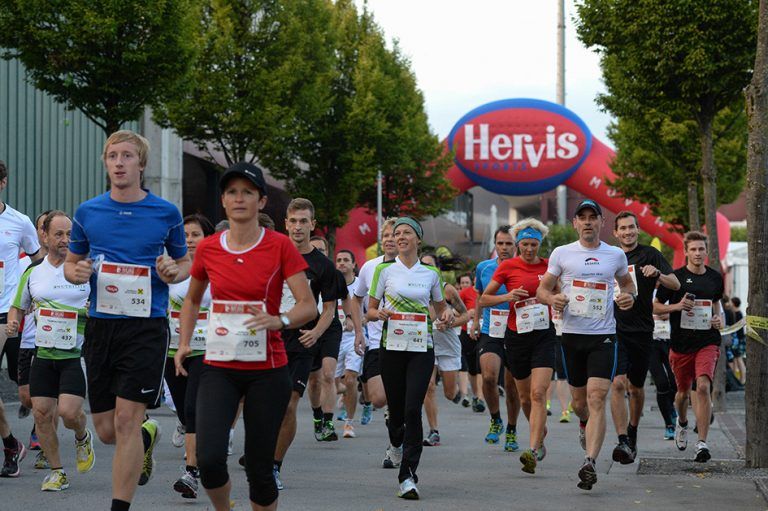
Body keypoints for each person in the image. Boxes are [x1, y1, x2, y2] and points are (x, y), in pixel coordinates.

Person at [175, 162, 315, 511]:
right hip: (218, 366)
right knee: (208, 460)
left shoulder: (279, 246)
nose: (239, 198)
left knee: (259, 469)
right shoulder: (208, 248)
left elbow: (307, 306)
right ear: (222, 200)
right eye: (232, 192)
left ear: (262, 201)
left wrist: (278, 319)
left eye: (247, 192)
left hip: (267, 371)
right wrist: (183, 343)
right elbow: (192, 299)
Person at [64, 130, 192, 511]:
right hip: (102, 326)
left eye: (127, 156)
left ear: (141, 164)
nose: (119, 163)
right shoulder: (88, 211)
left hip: (146, 327)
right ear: (106, 163)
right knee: (105, 431)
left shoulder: (165, 213)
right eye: (112, 156)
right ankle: (146, 435)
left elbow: (184, 263)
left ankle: (120, 506)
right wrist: (78, 272)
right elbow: (72, 265)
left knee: (125, 420)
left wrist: (173, 270)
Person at [537, 199, 636, 490]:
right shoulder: (562, 253)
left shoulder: (615, 255)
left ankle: (589, 461)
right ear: (575, 223)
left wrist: (629, 297)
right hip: (571, 336)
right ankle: (584, 425)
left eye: (594, 217)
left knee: (596, 399)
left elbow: (627, 285)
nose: (589, 222)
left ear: (602, 223)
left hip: (604, 336)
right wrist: (552, 298)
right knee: (580, 404)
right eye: (583, 217)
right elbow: (543, 288)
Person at [6, 211, 95, 490]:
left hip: (74, 355)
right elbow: (17, 306)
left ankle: (82, 435)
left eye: (70, 234)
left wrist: (91, 312)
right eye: (59, 234)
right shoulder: (34, 272)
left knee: (69, 413)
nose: (65, 239)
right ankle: (57, 471)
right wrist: (12, 321)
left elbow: (105, 304)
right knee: (42, 413)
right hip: (42, 354)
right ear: (44, 236)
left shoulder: (85, 269)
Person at [367, 217, 453, 500]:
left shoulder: (429, 273)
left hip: (420, 347)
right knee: (397, 412)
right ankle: (395, 443)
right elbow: (370, 309)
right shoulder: (383, 270)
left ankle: (407, 475)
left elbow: (441, 309)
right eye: (396, 233)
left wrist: (445, 317)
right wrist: (377, 314)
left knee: (413, 407)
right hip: (391, 347)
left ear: (418, 239)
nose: (400, 237)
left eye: (406, 233)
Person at [273, 198, 340, 488]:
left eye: (304, 221)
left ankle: (274, 466)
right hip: (269, 338)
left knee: (289, 405)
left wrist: (316, 333)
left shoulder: (323, 265)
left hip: (301, 341)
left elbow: (329, 309)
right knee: (262, 403)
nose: (298, 227)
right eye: (293, 221)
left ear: (312, 225)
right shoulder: (271, 253)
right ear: (285, 223)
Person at [481, 218, 555, 474]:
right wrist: (507, 296)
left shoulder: (550, 266)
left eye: (534, 244)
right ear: (518, 244)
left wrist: (557, 299)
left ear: (539, 244)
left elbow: (561, 290)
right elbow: (483, 299)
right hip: (516, 336)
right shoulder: (508, 267)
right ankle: (540, 432)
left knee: (538, 394)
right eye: (524, 244)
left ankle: (533, 450)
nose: (529, 249)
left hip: (544, 335)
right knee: (524, 398)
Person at [609, 211, 680, 464]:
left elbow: (675, 284)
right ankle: (622, 440)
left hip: (641, 330)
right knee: (617, 383)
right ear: (615, 233)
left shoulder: (650, 254)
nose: (627, 232)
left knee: (635, 388)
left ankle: (633, 430)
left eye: (631, 227)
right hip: (613, 329)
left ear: (637, 229)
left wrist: (657, 274)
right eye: (622, 229)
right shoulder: (609, 256)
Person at [653, 231, 724, 463]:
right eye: (693, 249)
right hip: (681, 345)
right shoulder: (675, 278)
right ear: (685, 252)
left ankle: (702, 443)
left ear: (706, 251)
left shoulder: (715, 278)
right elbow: (655, 307)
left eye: (701, 249)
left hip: (708, 341)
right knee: (682, 394)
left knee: (703, 386)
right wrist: (677, 307)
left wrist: (718, 319)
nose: (697, 253)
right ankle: (682, 422)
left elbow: (717, 306)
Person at [165, 213, 215, 499]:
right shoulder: (171, 269)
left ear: (206, 238)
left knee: (194, 409)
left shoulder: (216, 268)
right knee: (185, 411)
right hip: (172, 349)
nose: (189, 240)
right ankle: (198, 441)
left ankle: (191, 472)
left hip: (206, 349)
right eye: (184, 235)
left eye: (195, 234)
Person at [0, 159, 43, 478]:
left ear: (2, 184)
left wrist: (32, 296)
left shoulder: (19, 222)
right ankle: (10, 445)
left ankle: (41, 426)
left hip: (10, 312)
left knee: (24, 389)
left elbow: (38, 258)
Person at [306, 235, 363, 442]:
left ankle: (328, 423)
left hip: (330, 328)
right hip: (309, 326)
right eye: (315, 249)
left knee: (329, 375)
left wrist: (350, 319)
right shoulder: (301, 271)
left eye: (322, 250)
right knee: (313, 380)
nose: (318, 253)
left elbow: (348, 300)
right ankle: (317, 415)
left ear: (327, 252)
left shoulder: (333, 273)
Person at [471, 226, 521, 450]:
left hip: (517, 330)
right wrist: (475, 322)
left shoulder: (524, 267)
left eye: (508, 243)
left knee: (512, 387)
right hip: (491, 329)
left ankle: (511, 429)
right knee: (489, 377)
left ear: (516, 245)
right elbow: (480, 296)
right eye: (500, 243)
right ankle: (495, 420)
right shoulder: (484, 267)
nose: (504, 248)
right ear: (495, 245)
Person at [354, 217, 398, 433]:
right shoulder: (370, 267)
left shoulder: (414, 267)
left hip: (405, 341)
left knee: (402, 399)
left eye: (394, 235)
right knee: (378, 399)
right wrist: (357, 330)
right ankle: (394, 407)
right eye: (386, 236)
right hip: (376, 341)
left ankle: (398, 429)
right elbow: (356, 298)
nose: (390, 240)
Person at [419, 253, 469, 447]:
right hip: (424, 343)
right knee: (428, 387)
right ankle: (434, 431)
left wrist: (451, 322)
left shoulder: (447, 290)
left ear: (438, 269)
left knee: (449, 393)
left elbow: (466, 316)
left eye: (430, 265)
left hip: (447, 345)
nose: (426, 269)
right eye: (422, 265)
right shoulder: (414, 290)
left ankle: (456, 393)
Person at [333, 249, 366, 438]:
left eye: (346, 260)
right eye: (339, 260)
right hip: (333, 339)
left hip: (354, 339)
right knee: (330, 382)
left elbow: (370, 312)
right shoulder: (329, 285)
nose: (342, 263)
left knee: (351, 378)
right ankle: (347, 393)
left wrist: (357, 321)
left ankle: (349, 423)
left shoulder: (361, 287)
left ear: (354, 264)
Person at [457, 273, 482, 407]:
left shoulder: (489, 291)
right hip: (467, 333)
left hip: (484, 332)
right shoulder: (466, 292)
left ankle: (480, 398)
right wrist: (468, 312)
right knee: (472, 367)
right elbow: (455, 309)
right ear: (474, 280)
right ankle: (476, 394)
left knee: (481, 366)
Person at [730, 297, 746, 384]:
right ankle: (739, 378)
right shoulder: (736, 313)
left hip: (739, 339)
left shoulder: (738, 313)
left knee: (739, 359)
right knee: (736, 359)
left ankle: (743, 379)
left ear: (734, 303)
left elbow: (738, 329)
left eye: (731, 302)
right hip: (738, 339)